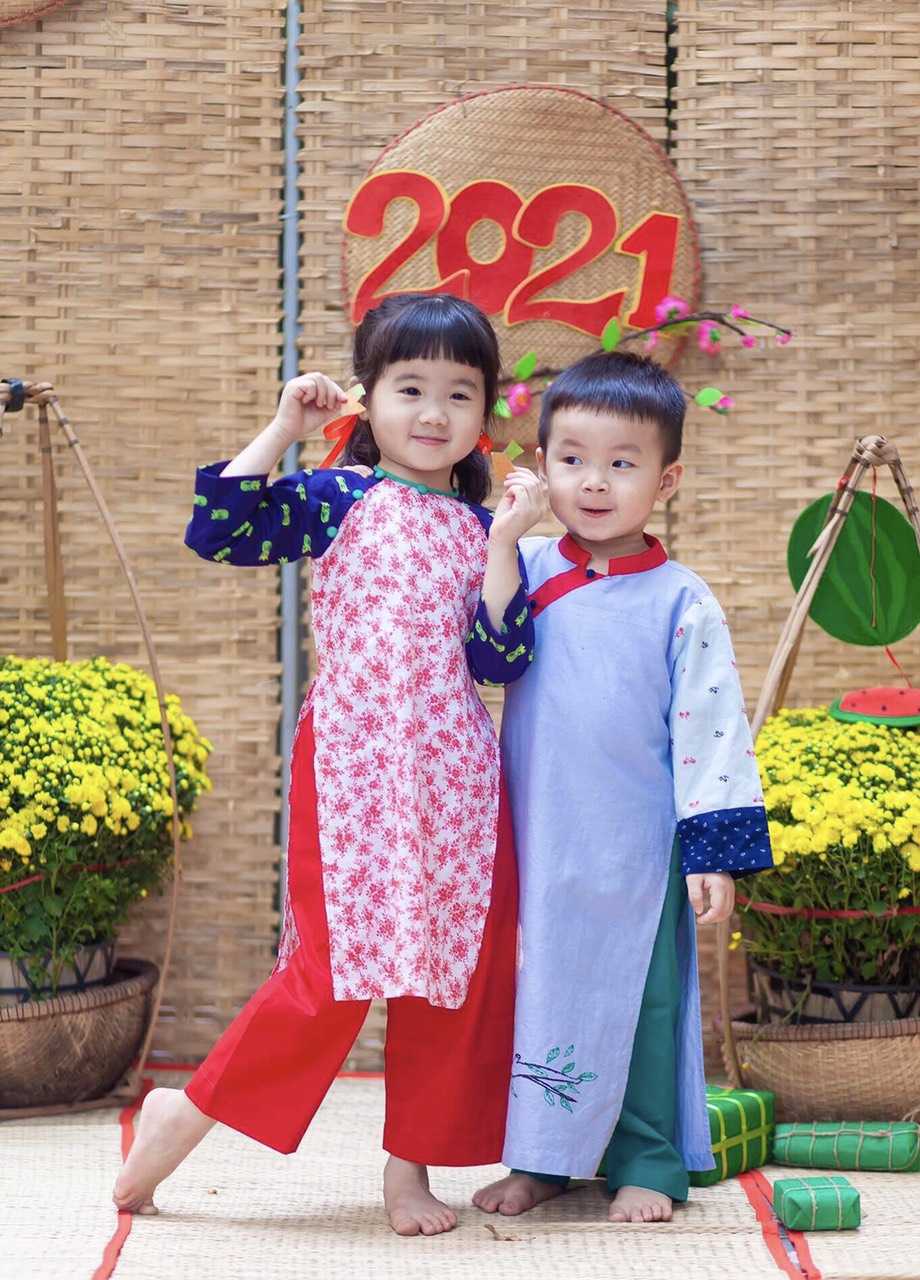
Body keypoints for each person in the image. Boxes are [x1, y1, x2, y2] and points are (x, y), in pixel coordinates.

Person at [113, 293, 545, 1236]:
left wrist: (508, 545)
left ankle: (407, 1175)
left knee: (447, 979)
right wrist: (283, 427)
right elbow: (219, 528)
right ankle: (185, 1115)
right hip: (352, 770)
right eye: (410, 388)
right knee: (330, 972)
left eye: (458, 394)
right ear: (370, 399)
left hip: (457, 786)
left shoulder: (483, 529)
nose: (433, 414)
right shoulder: (338, 498)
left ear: (487, 413)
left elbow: (499, 663)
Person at [473, 350, 773, 1225]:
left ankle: (647, 1157)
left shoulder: (683, 601)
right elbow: (487, 655)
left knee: (643, 1005)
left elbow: (713, 728)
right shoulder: (524, 568)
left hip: (640, 846)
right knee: (542, 997)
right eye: (570, 459)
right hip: (537, 837)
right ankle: (543, 1158)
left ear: (666, 479)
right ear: (540, 464)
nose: (593, 483)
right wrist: (500, 539)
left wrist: (711, 852)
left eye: (621, 462)